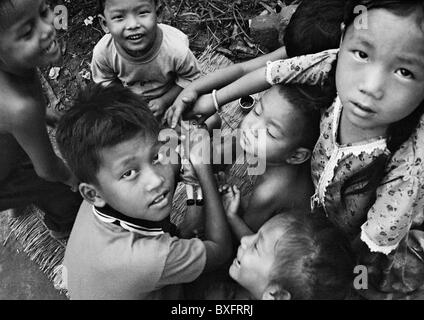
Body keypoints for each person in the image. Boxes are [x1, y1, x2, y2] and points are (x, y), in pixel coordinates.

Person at [201, 0, 424, 299]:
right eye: (361, 53)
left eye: (405, 72)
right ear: (343, 38)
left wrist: (344, 277)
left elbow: (366, 246)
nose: (371, 86)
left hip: (356, 244)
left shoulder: (408, 166)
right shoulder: (332, 65)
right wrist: (212, 99)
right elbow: (275, 71)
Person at [55, 84, 232, 299]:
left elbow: (170, 154)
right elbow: (221, 250)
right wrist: (202, 167)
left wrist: (187, 149)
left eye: (156, 157)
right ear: (93, 195)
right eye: (129, 173)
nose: (156, 180)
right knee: (222, 289)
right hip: (142, 270)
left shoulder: (103, 188)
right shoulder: (148, 259)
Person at [165, 0, 346, 128]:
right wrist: (193, 89)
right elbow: (243, 69)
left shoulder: (336, 95)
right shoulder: (306, 47)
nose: (296, 63)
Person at [0, 0, 81, 239]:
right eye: (27, 32)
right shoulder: (21, 109)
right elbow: (48, 169)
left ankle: (20, 198)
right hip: (4, 179)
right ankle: (64, 228)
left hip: (8, 151)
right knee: (60, 192)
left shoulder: (15, 66)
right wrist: (71, 177)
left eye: (44, 11)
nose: (47, 28)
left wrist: (42, 113)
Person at [216, 84, 332, 236]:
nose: (253, 127)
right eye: (257, 112)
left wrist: (231, 216)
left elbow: (250, 239)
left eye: (270, 133)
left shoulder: (268, 191)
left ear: (296, 156)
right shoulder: (283, 158)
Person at [208, 187, 355, 300]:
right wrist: (232, 218)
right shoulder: (277, 285)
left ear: (277, 295)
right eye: (256, 235)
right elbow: (269, 252)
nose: (244, 240)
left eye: (255, 246)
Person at [92, 0, 201, 119]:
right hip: (132, 103)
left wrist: (164, 101)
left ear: (158, 13)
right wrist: (128, 103)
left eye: (142, 13)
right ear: (105, 24)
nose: (133, 25)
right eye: (119, 17)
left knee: (207, 118)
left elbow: (191, 80)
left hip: (173, 98)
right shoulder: (104, 52)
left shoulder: (176, 50)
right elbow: (106, 82)